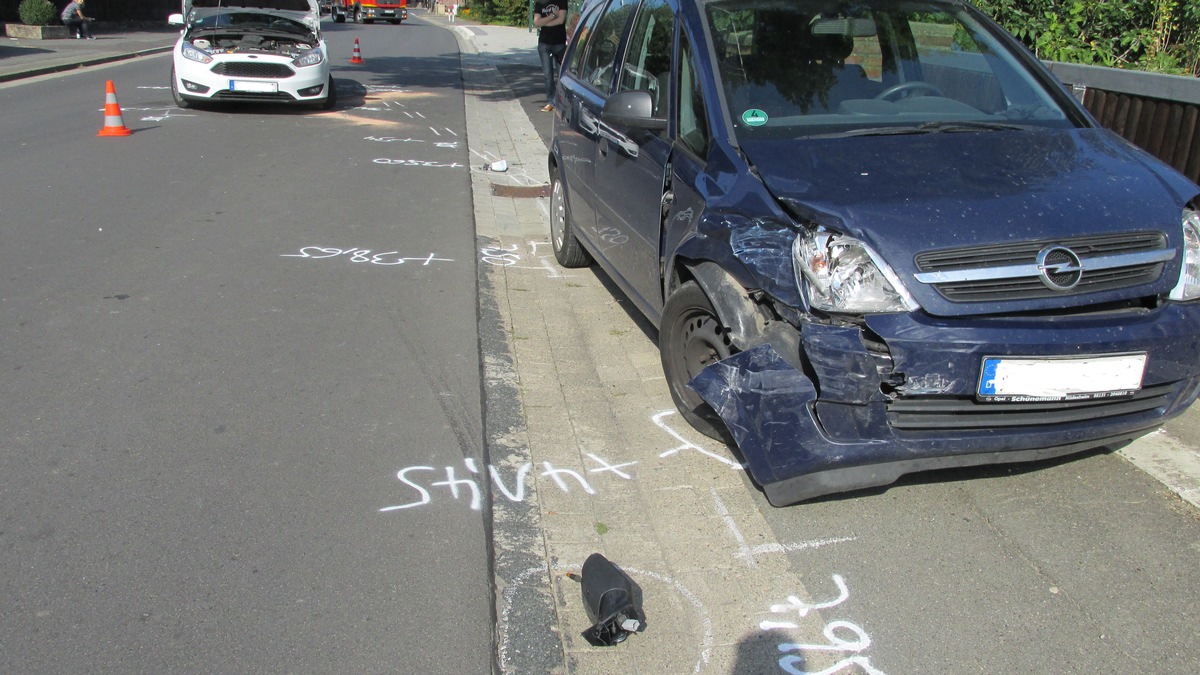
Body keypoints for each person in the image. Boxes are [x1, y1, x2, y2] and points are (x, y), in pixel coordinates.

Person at [533, 0, 567, 112]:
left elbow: (561, 19)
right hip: (544, 43)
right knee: (548, 74)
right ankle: (551, 101)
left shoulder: (561, 1)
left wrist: (545, 23)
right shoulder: (540, 3)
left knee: (562, 74)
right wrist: (553, 16)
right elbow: (536, 23)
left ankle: (563, 101)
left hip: (559, 43)